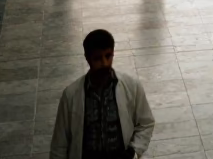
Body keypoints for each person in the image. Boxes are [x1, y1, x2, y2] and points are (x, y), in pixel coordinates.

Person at [50, 28, 155, 159]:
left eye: (108, 56)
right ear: (87, 59)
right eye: (98, 58)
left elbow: (146, 123)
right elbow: (59, 144)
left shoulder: (132, 86)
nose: (104, 63)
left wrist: (133, 151)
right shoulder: (71, 95)